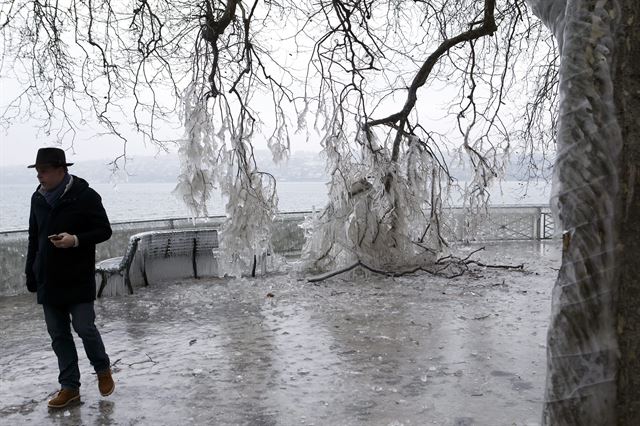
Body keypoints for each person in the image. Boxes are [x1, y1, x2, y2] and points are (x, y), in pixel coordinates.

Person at [24, 147, 115, 409]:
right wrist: (31, 271)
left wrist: (75, 240)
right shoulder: (37, 198)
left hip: (77, 276)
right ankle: (69, 388)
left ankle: (102, 369)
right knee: (58, 334)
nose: (39, 176)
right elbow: (34, 238)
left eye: (44, 171)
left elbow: (104, 230)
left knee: (85, 327)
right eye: (37, 171)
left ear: (61, 169)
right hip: (48, 278)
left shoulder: (85, 196)